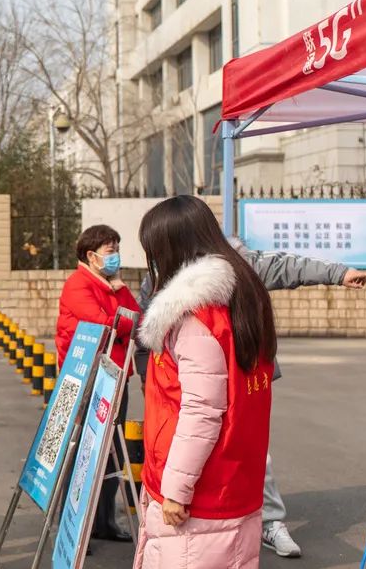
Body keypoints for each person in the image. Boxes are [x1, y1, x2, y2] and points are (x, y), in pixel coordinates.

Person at [136, 237, 366, 559]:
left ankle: (270, 523)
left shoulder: (237, 262)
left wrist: (338, 273)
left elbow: (286, 266)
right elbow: (143, 332)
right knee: (191, 455)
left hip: (241, 382)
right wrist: (146, 379)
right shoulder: (157, 277)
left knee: (251, 457)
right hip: (187, 389)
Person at [133, 195, 276, 569]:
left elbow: (201, 412)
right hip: (235, 480)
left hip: (198, 494)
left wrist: (176, 491)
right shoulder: (244, 297)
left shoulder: (195, 319)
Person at [55, 224, 141, 544]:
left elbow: (137, 317)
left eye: (117, 248)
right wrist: (123, 318)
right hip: (89, 380)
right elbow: (107, 325)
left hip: (116, 378)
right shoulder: (78, 285)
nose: (116, 255)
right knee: (83, 455)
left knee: (112, 455)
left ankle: (104, 521)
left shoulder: (110, 285)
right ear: (91, 256)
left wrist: (119, 294)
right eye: (110, 250)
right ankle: (74, 530)